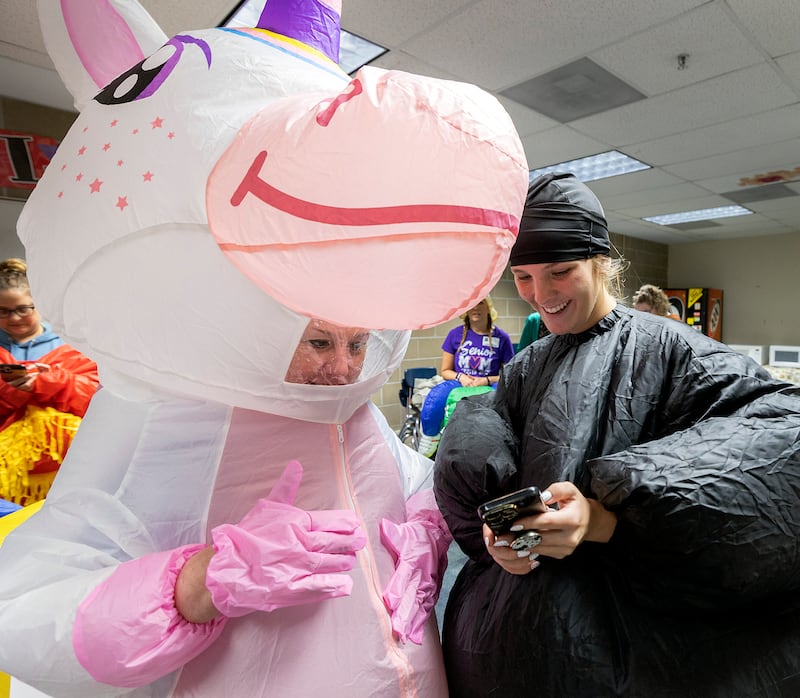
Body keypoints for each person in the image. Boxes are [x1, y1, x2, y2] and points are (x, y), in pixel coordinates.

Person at [433, 172, 800, 697]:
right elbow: (488, 456)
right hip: (508, 639)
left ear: (601, 262)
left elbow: (779, 437)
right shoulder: (523, 368)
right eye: (524, 277)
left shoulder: (675, 352)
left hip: (630, 650)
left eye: (560, 271)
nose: (542, 295)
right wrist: (498, 535)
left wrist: (609, 518)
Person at [0, 258, 99, 504]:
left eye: (23, 308)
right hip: (8, 485)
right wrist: (14, 391)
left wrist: (47, 382)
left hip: (71, 471)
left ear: (39, 305)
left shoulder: (73, 344)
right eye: (3, 311)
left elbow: (97, 399)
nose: (14, 318)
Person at [417, 296, 514, 457]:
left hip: (489, 383)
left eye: (480, 303)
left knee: (504, 399)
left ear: (489, 307)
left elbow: (509, 373)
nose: (475, 308)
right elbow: (445, 371)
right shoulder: (454, 335)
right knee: (435, 397)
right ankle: (429, 439)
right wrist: (461, 377)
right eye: (471, 304)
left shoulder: (502, 338)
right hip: (461, 382)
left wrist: (487, 379)